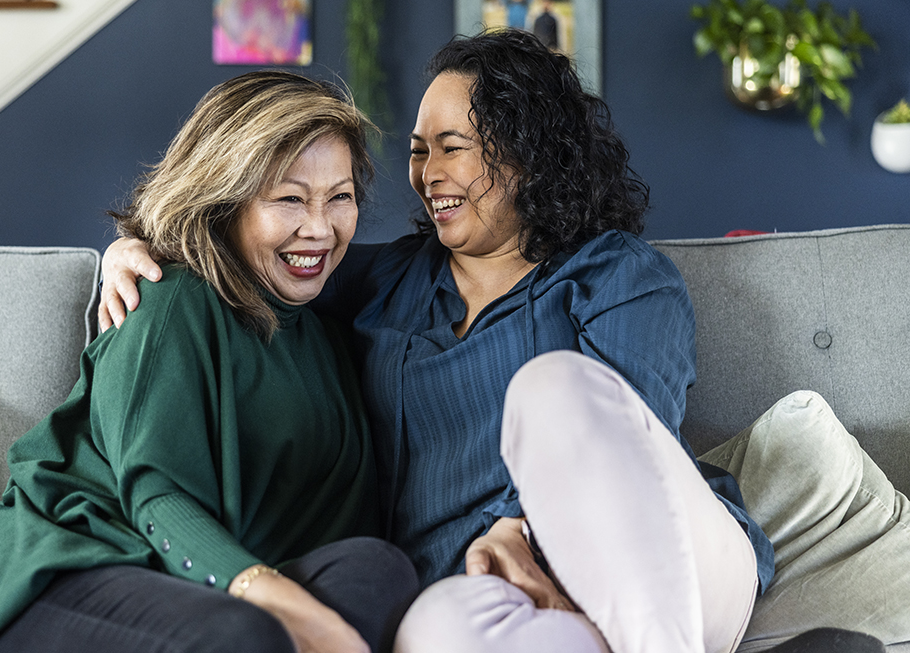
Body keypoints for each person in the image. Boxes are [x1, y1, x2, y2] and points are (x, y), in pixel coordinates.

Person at [98, 30, 773, 653]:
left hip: (668, 563)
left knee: (552, 389)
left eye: (452, 146)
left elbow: (635, 426)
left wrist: (519, 522)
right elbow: (258, 258)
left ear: (527, 153)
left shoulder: (617, 275)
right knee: (435, 629)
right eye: (419, 151)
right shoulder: (390, 279)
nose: (426, 173)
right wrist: (142, 248)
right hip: (492, 591)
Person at [0, 70, 419, 653]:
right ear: (224, 199)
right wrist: (293, 609)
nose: (319, 228)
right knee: (242, 633)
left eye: (340, 197)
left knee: (376, 572)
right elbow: (157, 495)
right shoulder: (169, 298)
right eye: (289, 198)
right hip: (56, 576)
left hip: (195, 587)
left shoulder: (329, 324)